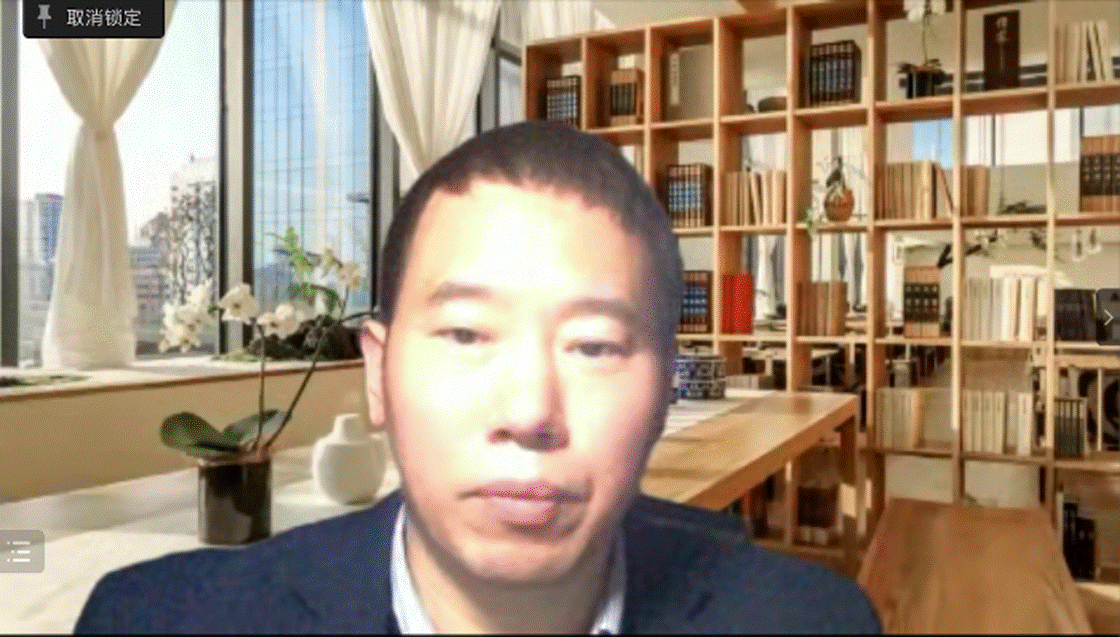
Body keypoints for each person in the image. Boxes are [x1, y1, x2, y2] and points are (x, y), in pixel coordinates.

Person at [73, 120, 881, 634]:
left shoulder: (815, 623)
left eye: (595, 345)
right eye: (465, 333)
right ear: (379, 375)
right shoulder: (153, 622)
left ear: (666, 387)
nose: (529, 410)